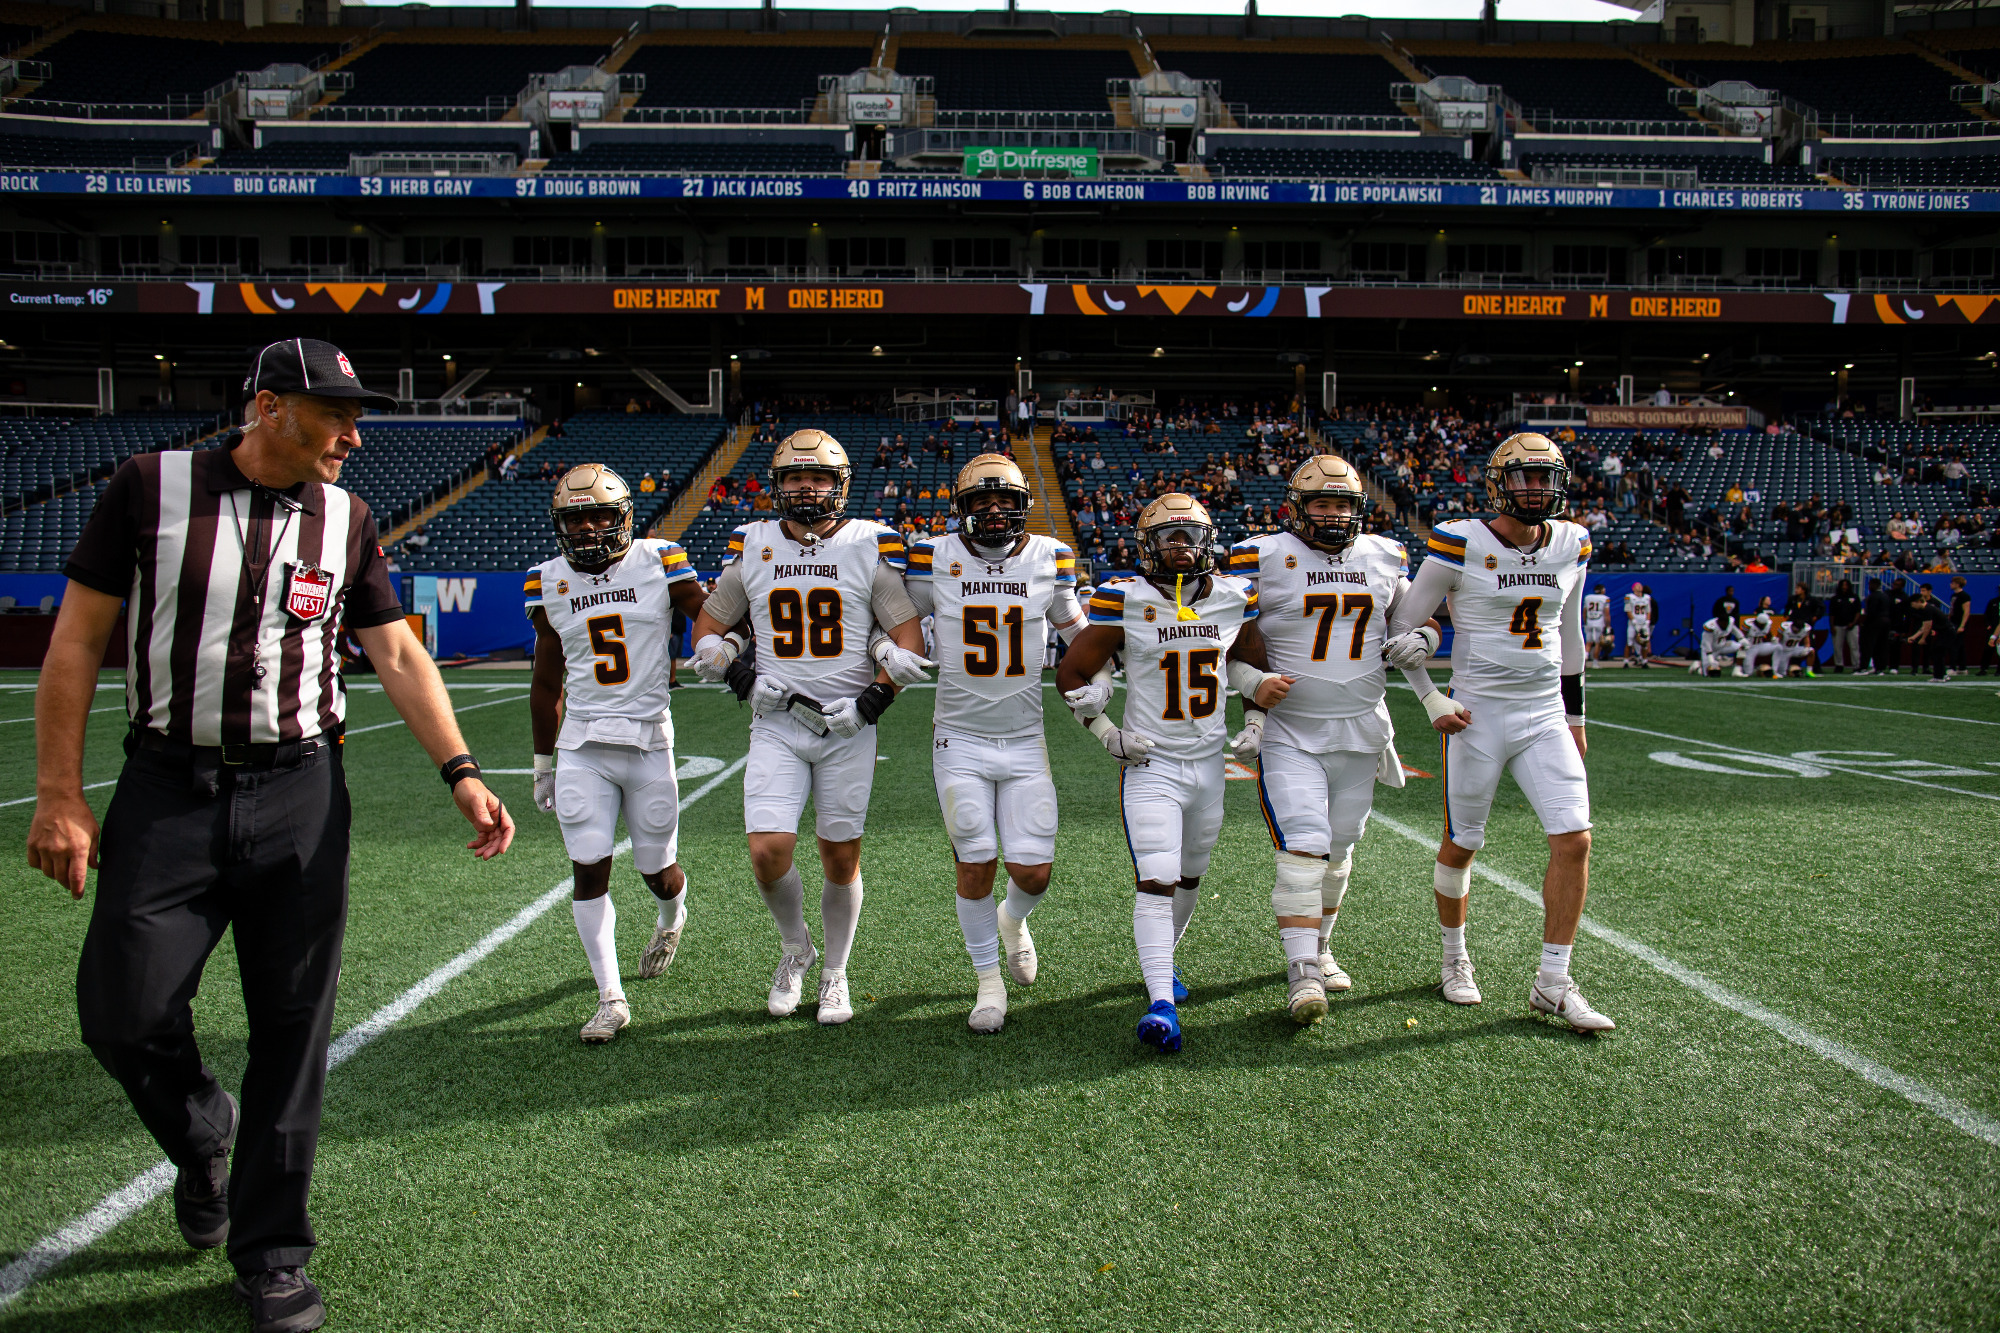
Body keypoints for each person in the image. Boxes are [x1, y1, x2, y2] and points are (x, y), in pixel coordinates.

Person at [27, 338, 516, 1333]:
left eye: (353, 411)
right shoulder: (148, 485)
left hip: (300, 791)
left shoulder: (349, 517)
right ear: (267, 407)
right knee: (120, 1011)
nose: (352, 431)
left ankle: (272, 1249)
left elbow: (396, 652)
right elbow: (76, 639)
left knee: (293, 1028)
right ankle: (205, 1132)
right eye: (332, 411)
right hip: (169, 787)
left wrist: (461, 771)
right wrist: (58, 794)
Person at [687, 431, 927, 1024]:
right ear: (778, 485)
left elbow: (907, 641)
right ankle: (796, 949)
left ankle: (836, 970)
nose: (806, 488)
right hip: (775, 720)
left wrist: (872, 702)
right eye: (795, 478)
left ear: (839, 485)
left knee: (840, 859)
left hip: (847, 725)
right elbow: (708, 629)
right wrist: (741, 676)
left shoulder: (867, 544)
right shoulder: (755, 543)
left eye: (818, 477)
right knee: (768, 851)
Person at [1386, 432, 1612, 1033]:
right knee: (1463, 843)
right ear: (1498, 482)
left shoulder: (1573, 541)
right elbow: (1404, 628)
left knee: (1575, 839)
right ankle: (1454, 955)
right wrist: (1432, 696)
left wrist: (1576, 717)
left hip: (1543, 713)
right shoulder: (1461, 541)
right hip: (1477, 712)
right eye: (1524, 477)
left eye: (1545, 478)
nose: (1535, 488)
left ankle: (1553, 982)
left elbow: (1569, 637)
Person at [1055, 494, 1274, 1053]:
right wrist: (1107, 732)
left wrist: (1254, 718)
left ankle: (1162, 964)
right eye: (1167, 537)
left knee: (1190, 876)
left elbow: (1250, 661)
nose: (1179, 546)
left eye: (1189, 536)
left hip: (1208, 762)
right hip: (1151, 764)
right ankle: (1161, 1003)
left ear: (1207, 541)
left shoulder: (1232, 596)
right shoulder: (1123, 598)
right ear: (1146, 545)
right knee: (1156, 877)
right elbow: (1072, 672)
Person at [1224, 457, 1435, 1023]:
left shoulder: (1384, 556)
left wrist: (1426, 639)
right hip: (1291, 730)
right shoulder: (1261, 556)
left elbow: (1416, 618)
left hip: (1362, 728)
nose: (1335, 514)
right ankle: (1303, 973)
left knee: (1340, 848)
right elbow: (1213, 641)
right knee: (1304, 844)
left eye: (1344, 504)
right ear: (1297, 506)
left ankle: (1320, 945)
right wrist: (1250, 683)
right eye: (1323, 503)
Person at [525, 465, 715, 1043]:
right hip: (583, 742)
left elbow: (707, 618)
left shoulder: (660, 560)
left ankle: (671, 916)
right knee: (589, 865)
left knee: (657, 871)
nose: (587, 526)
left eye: (599, 515)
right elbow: (545, 681)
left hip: (648, 735)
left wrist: (725, 653)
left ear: (623, 516)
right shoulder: (548, 580)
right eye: (575, 517)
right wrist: (541, 763)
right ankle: (610, 996)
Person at [905, 455, 1085, 1033]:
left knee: (1034, 874)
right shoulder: (933, 557)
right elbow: (892, 615)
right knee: (976, 862)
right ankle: (987, 983)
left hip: (1025, 736)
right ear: (960, 508)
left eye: (1005, 499)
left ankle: (1013, 920)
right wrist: (888, 650)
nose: (993, 510)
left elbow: (1076, 630)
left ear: (1023, 506)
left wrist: (1099, 673)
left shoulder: (1048, 556)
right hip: (958, 737)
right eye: (981, 501)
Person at [1827, 577, 1861, 672]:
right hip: (1838, 625)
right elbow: (1832, 614)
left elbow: (1858, 612)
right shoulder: (1835, 598)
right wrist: (1832, 626)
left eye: (1846, 585)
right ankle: (1839, 665)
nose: (1844, 587)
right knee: (1837, 646)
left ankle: (1856, 665)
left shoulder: (1854, 597)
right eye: (1842, 585)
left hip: (1852, 626)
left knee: (1854, 646)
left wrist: (1853, 622)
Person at [1623, 581, 1655, 669]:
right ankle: (1626, 661)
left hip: (1643, 623)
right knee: (1629, 643)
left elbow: (1648, 610)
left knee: (1644, 643)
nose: (1639, 587)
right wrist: (1633, 621)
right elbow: (1628, 610)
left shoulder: (1647, 598)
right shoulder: (1629, 597)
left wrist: (1647, 621)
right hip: (1633, 623)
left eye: (1640, 585)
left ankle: (1644, 661)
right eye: (1637, 586)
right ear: (1633, 588)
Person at [1775, 613, 1818, 678]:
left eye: (1799, 629)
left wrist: (1806, 648)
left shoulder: (1806, 628)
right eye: (1796, 629)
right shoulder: (1785, 627)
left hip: (1795, 649)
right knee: (1782, 673)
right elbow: (1778, 640)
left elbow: (1807, 640)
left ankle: (1809, 671)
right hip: (1784, 651)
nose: (1797, 631)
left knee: (1811, 651)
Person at [1948, 576, 1972, 675]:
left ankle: (1952, 667)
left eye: (1952, 583)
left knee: (1954, 645)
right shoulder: (1953, 596)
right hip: (1953, 621)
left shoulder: (1964, 596)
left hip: (1959, 622)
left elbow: (1966, 611)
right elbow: (1952, 609)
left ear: (1957, 584)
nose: (1950, 584)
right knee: (1959, 645)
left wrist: (1962, 625)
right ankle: (1962, 667)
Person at [1583, 582, 1611, 663]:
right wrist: (1608, 626)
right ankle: (1595, 662)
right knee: (1598, 643)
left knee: (1588, 642)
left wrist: (1585, 623)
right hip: (1599, 622)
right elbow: (1607, 614)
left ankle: (1585, 657)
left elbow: (1584, 612)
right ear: (1602, 590)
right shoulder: (1605, 598)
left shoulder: (1588, 598)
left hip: (1589, 621)